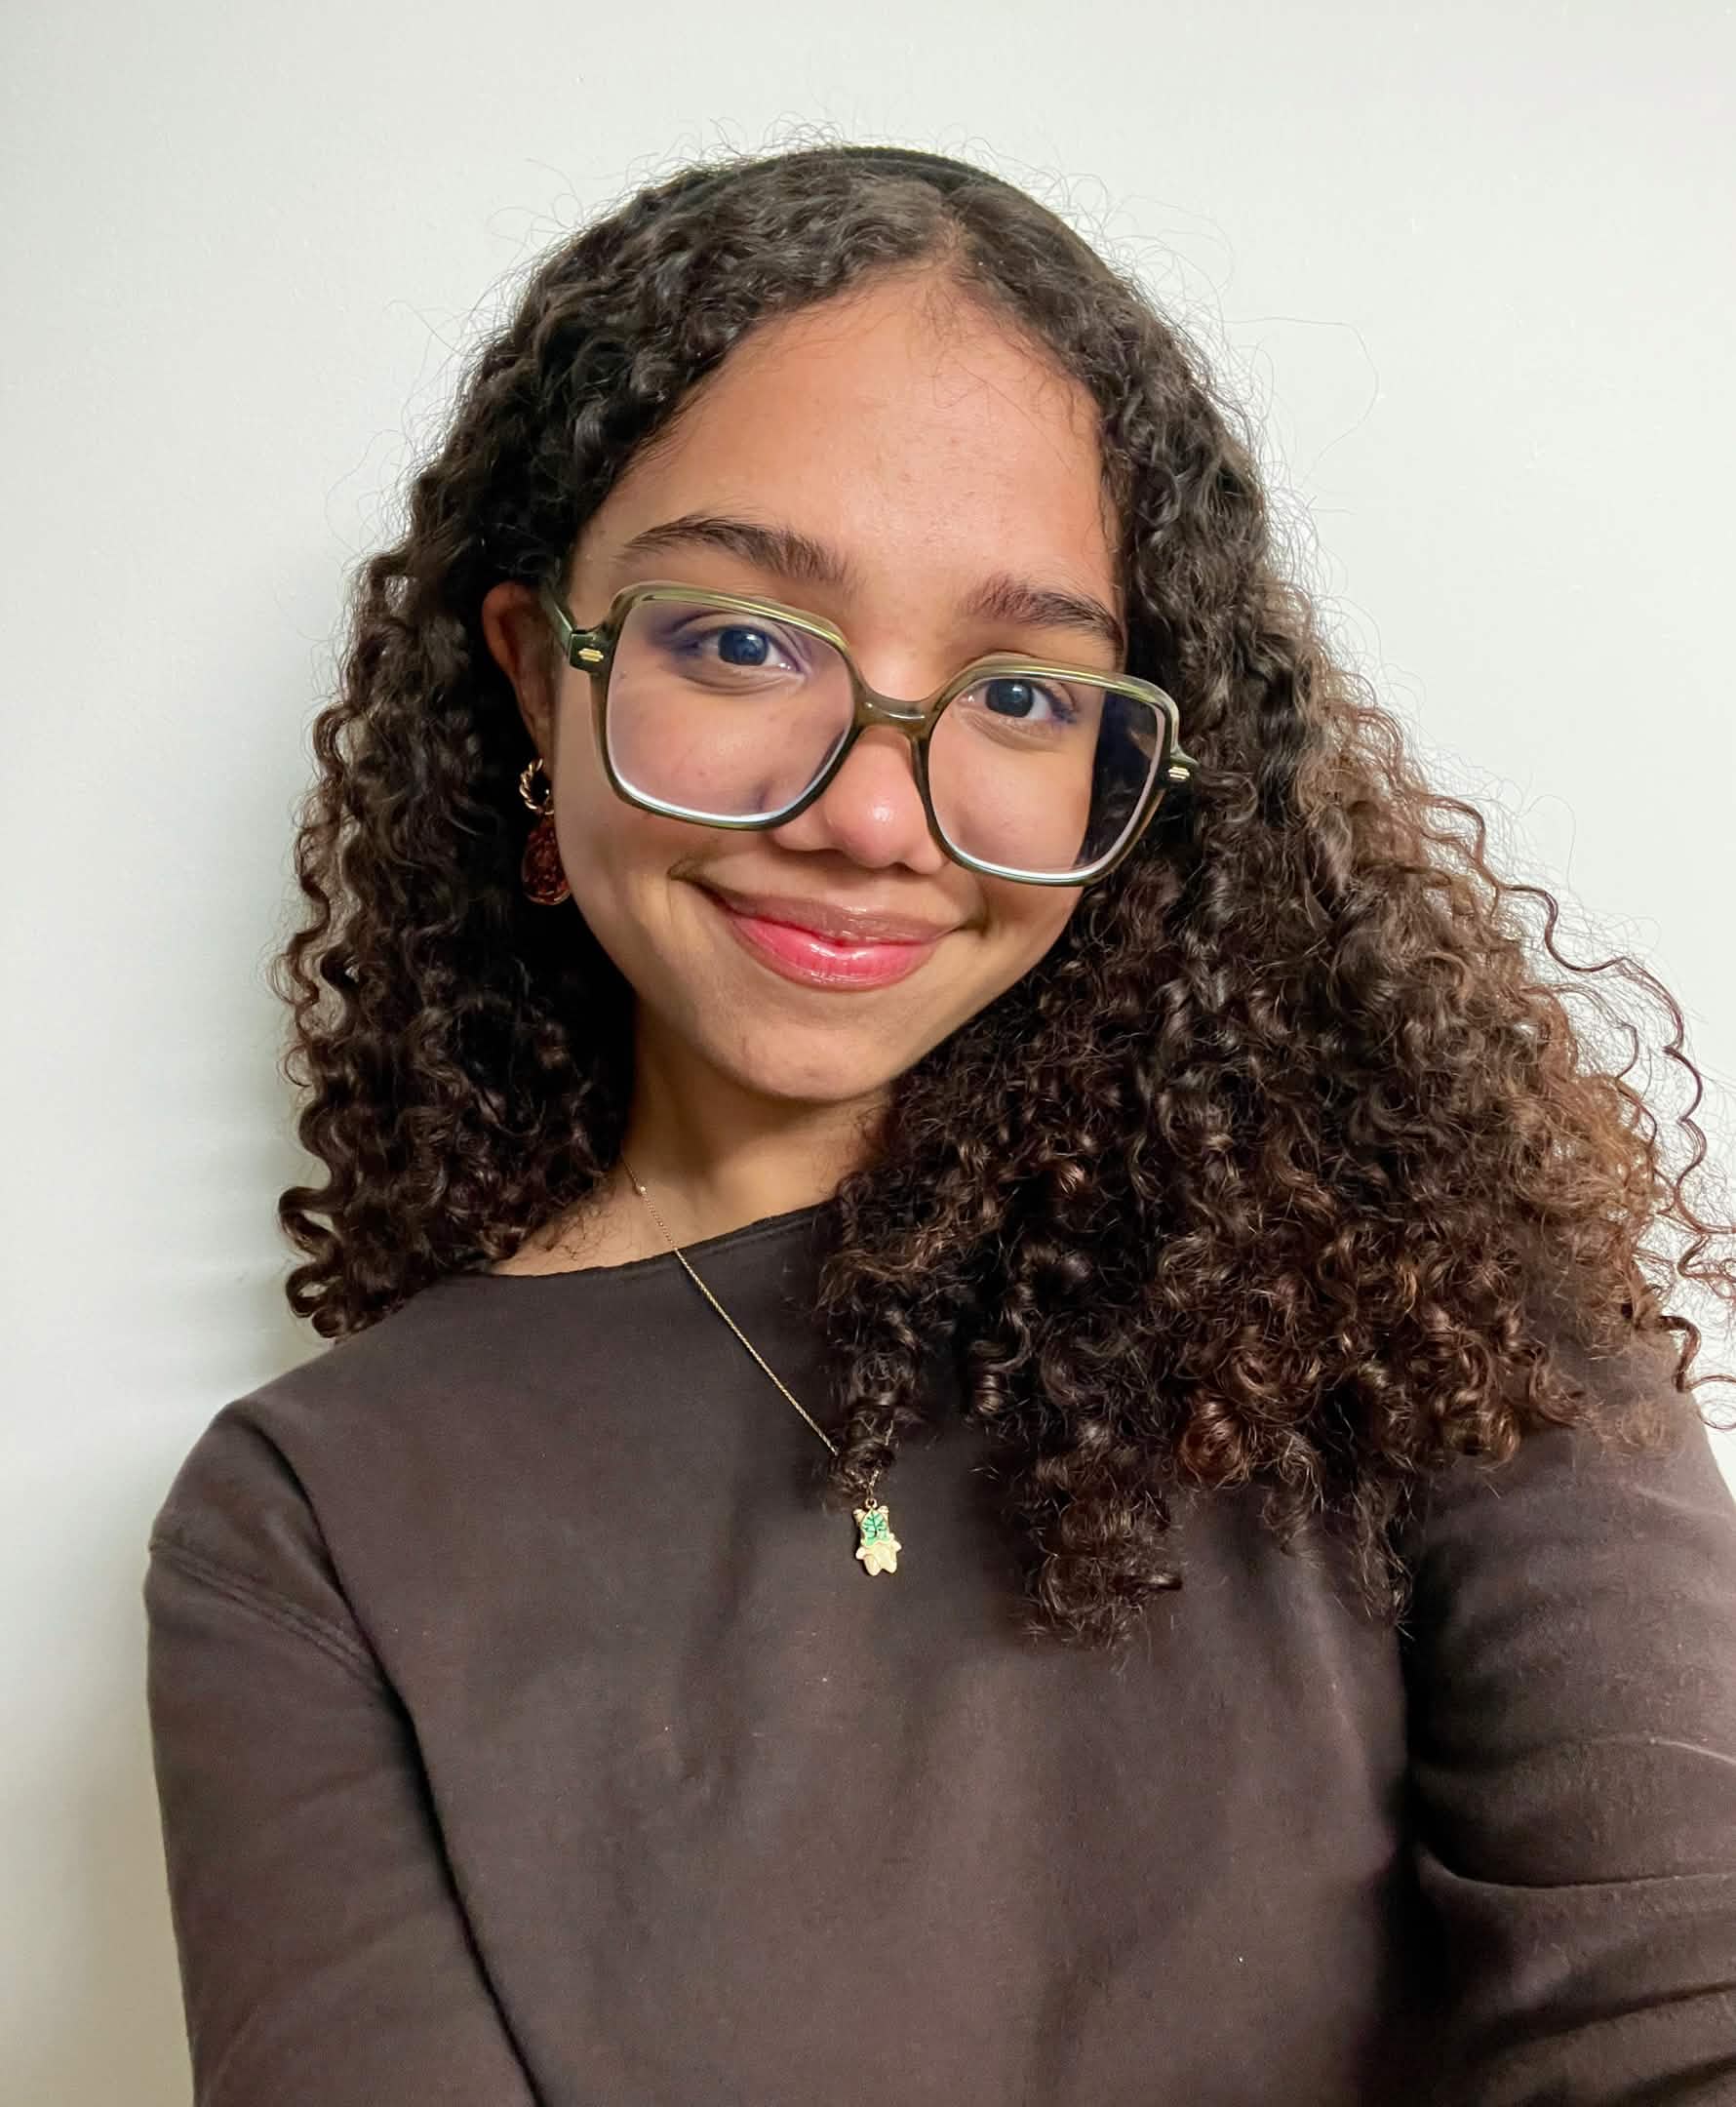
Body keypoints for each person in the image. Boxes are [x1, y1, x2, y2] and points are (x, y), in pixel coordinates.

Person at [141, 141, 1736, 2105]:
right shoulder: (312, 1525)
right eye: (737, 642)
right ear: (532, 684)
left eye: (1016, 692)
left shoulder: (1427, 1305)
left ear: (1126, 767)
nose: (869, 816)